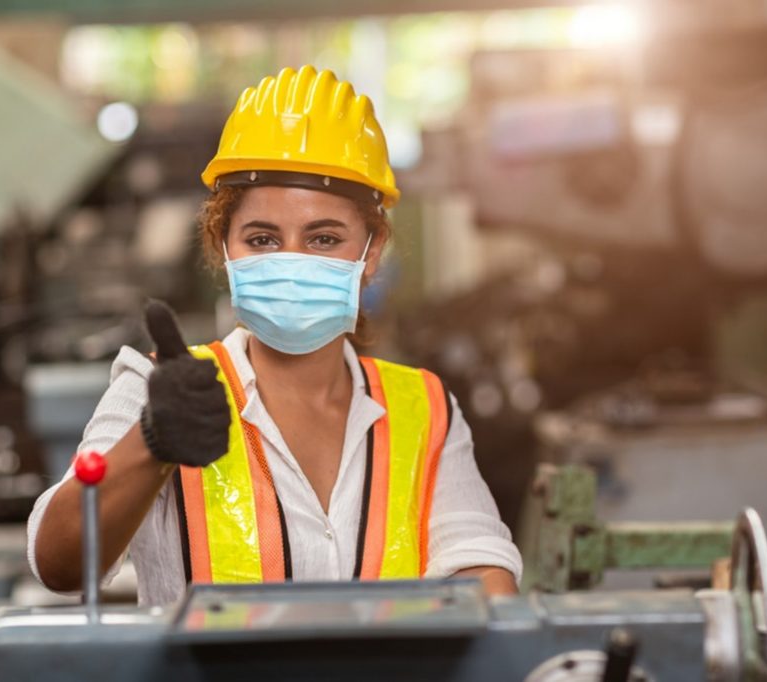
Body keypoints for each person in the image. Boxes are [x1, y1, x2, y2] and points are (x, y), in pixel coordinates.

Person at [28, 65, 522, 606]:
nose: (291, 261)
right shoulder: (162, 389)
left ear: (371, 252)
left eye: (324, 238)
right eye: (263, 238)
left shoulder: (424, 408)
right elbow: (60, 564)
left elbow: (481, 571)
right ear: (223, 247)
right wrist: (149, 444)